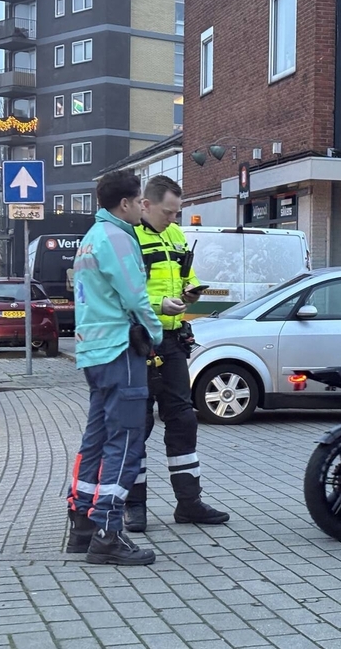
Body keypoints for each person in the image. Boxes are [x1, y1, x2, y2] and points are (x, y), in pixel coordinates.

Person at [64, 170, 163, 566]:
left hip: (92, 350)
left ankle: (83, 524)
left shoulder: (90, 238)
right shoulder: (119, 237)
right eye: (140, 200)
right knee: (125, 440)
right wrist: (154, 332)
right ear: (125, 204)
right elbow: (135, 294)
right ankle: (108, 531)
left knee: (97, 437)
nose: (143, 206)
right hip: (120, 351)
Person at [124, 175, 229, 532]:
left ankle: (189, 503)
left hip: (171, 340)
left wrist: (190, 291)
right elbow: (125, 293)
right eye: (169, 212)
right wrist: (159, 305)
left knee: (183, 419)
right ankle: (133, 506)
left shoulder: (175, 235)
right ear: (146, 205)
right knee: (137, 423)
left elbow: (186, 274)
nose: (173, 219)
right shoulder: (128, 238)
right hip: (138, 340)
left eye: (177, 213)